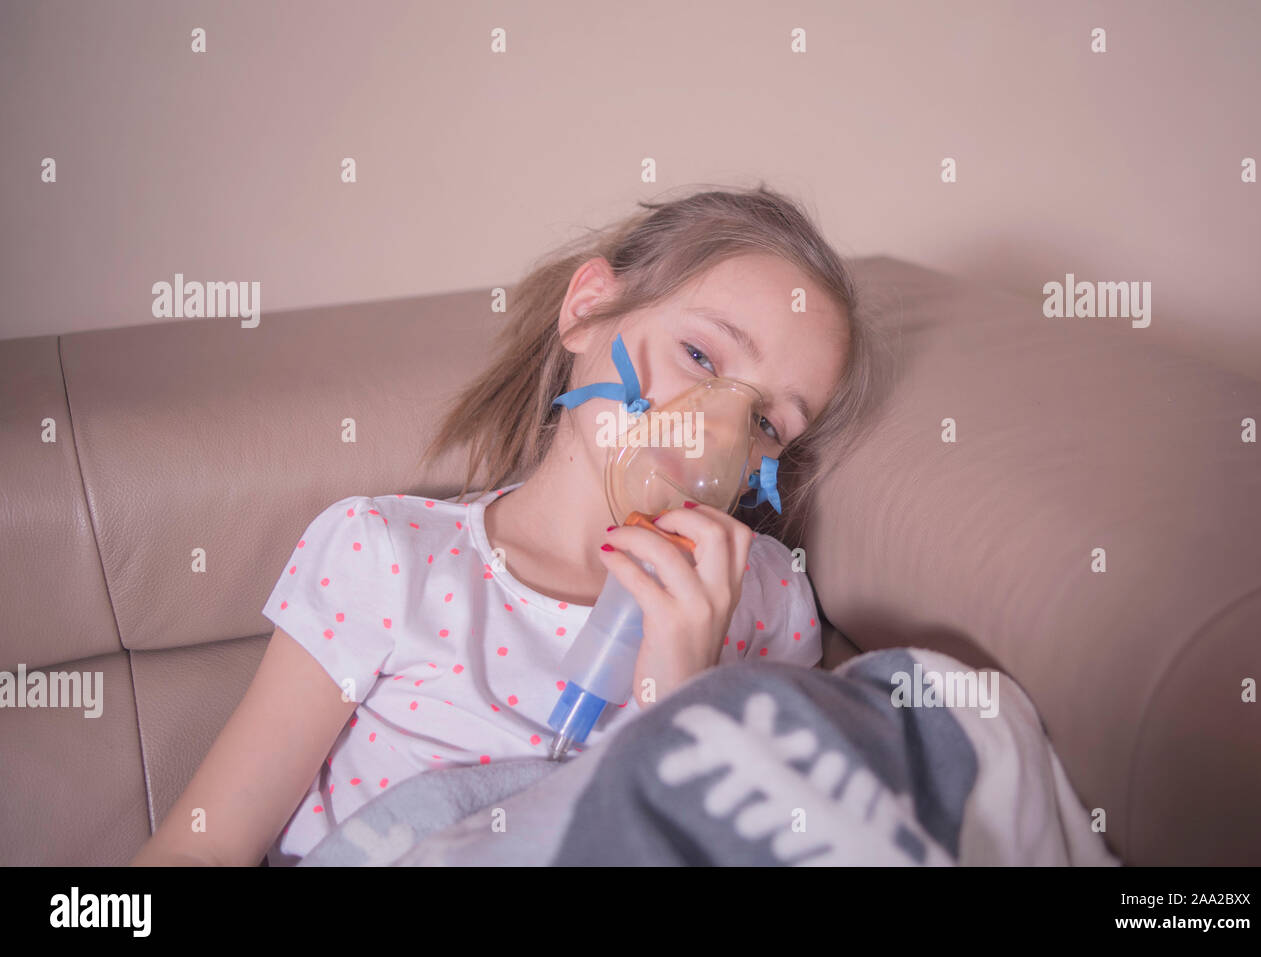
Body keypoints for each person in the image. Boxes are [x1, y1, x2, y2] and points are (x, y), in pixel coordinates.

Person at [129, 184, 888, 867]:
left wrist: (678, 702)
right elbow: (203, 844)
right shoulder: (389, 561)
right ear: (587, 309)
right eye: (698, 354)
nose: (714, 433)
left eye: (763, 420)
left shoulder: (766, 604)